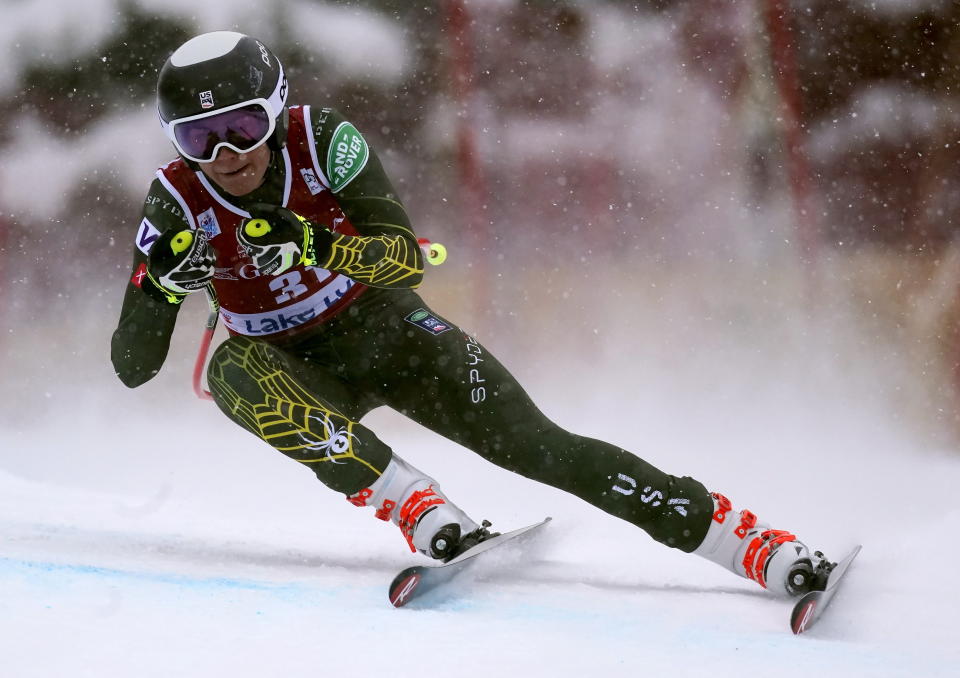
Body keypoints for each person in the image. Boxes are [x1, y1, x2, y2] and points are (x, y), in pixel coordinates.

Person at [112, 31, 830, 595]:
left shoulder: (323, 140)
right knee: (231, 369)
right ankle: (420, 509)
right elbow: (134, 368)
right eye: (198, 139)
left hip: (384, 330)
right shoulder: (175, 198)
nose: (228, 153)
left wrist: (309, 242)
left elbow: (406, 261)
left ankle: (746, 542)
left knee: (542, 448)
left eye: (242, 124)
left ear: (276, 107)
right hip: (293, 369)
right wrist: (163, 288)